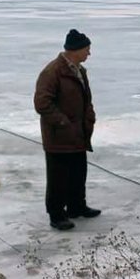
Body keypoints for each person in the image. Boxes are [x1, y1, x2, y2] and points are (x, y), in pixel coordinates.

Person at [34, 29, 98, 230]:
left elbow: (86, 99)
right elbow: (42, 103)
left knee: (78, 172)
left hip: (78, 133)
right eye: (87, 49)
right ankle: (57, 215)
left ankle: (77, 207)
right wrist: (63, 123)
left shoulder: (79, 70)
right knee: (58, 177)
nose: (89, 54)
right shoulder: (52, 72)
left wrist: (89, 116)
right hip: (59, 137)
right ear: (76, 50)